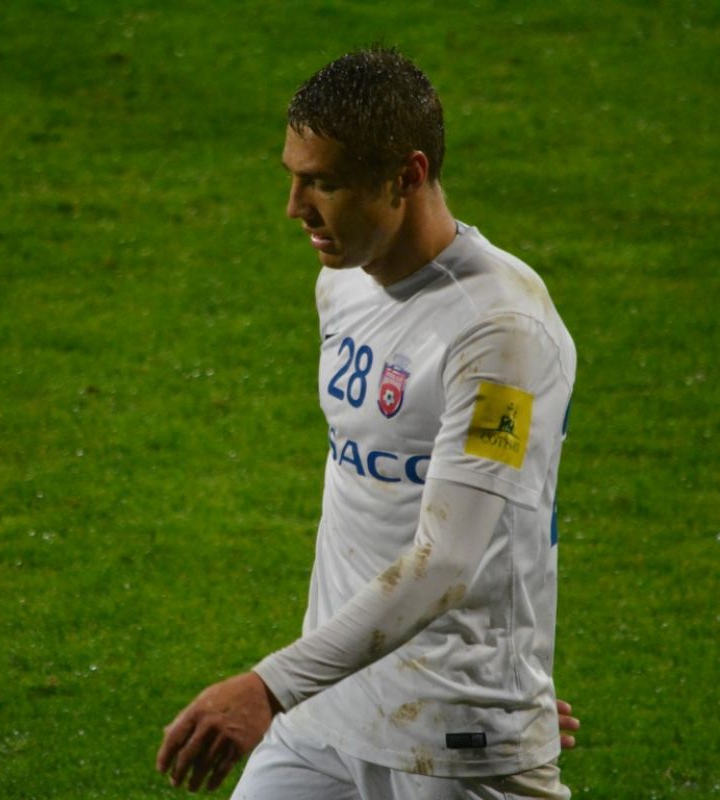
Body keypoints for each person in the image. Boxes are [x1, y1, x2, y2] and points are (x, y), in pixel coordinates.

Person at [157, 46, 579, 799]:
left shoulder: (499, 332)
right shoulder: (343, 282)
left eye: (325, 183)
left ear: (407, 176)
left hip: (452, 737)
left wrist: (268, 687)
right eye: (293, 177)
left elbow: (448, 560)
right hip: (328, 709)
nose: (296, 207)